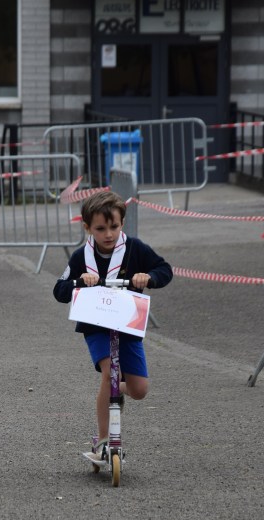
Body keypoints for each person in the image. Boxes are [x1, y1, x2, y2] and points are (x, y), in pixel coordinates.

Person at [53, 190, 172, 455]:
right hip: (95, 325)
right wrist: (79, 281)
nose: (108, 234)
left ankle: (117, 390)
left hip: (128, 322)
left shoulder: (135, 248)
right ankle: (104, 439)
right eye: (100, 229)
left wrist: (148, 277)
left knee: (139, 390)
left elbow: (165, 270)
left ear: (122, 223)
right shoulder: (81, 257)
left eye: (114, 227)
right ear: (87, 227)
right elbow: (59, 290)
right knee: (111, 373)